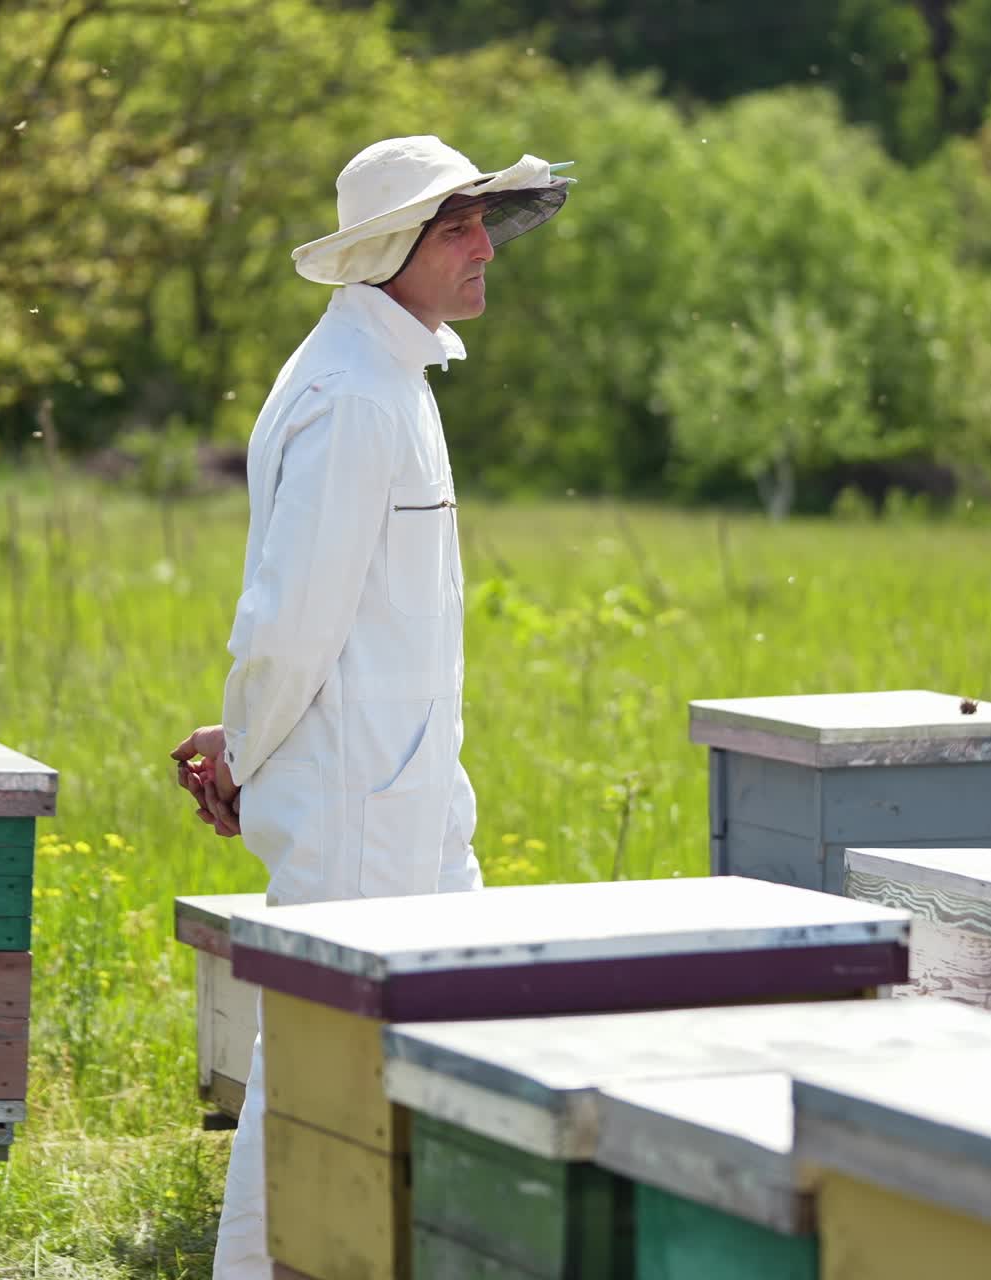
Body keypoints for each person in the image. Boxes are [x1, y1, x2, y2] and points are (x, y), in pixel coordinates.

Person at [170, 134, 573, 1280]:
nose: (484, 247)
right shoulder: (352, 396)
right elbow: (289, 621)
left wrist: (247, 734)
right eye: (457, 227)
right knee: (312, 1068)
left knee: (449, 1037)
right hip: (357, 809)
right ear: (392, 248)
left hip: (404, 794)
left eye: (483, 222)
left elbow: (351, 623)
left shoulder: (390, 373)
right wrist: (247, 744)